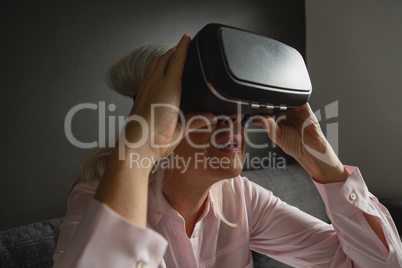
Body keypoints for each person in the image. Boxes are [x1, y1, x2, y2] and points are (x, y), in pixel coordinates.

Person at [53, 34, 402, 267]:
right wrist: (137, 148)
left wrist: (322, 160)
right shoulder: (95, 203)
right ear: (162, 117)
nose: (233, 123)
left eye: (240, 110)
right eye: (210, 108)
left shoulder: (240, 197)